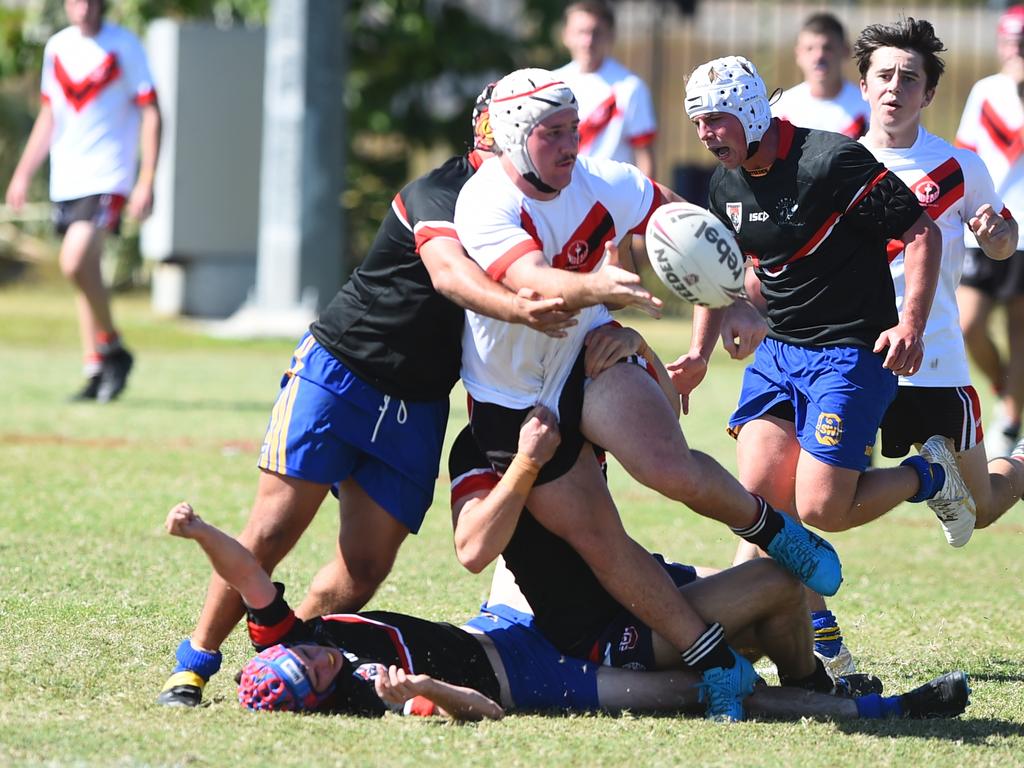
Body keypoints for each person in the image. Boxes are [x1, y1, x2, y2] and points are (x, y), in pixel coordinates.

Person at [155, 85, 576, 708]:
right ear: (493, 128)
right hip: (343, 372)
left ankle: (289, 649)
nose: (558, 143)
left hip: (420, 402)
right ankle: (194, 664)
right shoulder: (442, 191)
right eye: (539, 126)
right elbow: (450, 276)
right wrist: (521, 304)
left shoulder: (543, 207)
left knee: (364, 567)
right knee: (270, 530)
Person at [454, 67, 846, 720]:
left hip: (591, 355)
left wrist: (727, 298)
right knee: (603, 544)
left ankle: (776, 531)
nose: (570, 144)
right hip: (517, 399)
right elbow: (528, 280)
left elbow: (682, 221)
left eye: (573, 129)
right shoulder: (483, 201)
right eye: (553, 133)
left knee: (668, 465)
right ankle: (715, 663)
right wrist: (603, 291)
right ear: (518, 137)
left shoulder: (601, 180)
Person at [163, 499, 970, 722]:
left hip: (503, 621)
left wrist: (200, 531)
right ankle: (879, 708)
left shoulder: (291, 636)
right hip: (540, 681)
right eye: (317, 677)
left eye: (307, 658)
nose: (322, 661)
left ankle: (827, 688)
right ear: (316, 700)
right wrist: (418, 693)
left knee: (742, 615)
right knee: (710, 682)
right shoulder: (357, 699)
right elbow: (481, 709)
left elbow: (247, 576)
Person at [675, 55, 959, 680]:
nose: (707, 134)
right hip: (780, 356)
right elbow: (730, 273)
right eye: (698, 123)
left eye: (718, 118)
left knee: (823, 509)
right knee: (759, 508)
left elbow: (921, 233)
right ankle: (822, 641)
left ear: (750, 110)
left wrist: (909, 322)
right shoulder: (724, 186)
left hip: (851, 355)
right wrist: (703, 349)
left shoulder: (830, 161)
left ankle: (929, 474)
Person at [856, 16, 1024, 549]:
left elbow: (1001, 242)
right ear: (864, 85)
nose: (894, 88)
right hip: (854, 359)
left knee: (981, 510)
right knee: (826, 496)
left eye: (909, 78)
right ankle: (796, 610)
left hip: (935, 362)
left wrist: (997, 235)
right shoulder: (835, 163)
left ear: (928, 93)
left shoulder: (959, 167)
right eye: (884, 75)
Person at [4, 0, 160, 402]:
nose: (85, 7)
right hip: (67, 179)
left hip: (108, 176)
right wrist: (23, 173)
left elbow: (152, 112)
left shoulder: (124, 45)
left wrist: (146, 178)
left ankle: (113, 347)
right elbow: (49, 116)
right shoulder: (57, 47)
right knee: (82, 272)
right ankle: (96, 365)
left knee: (74, 260)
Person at [954, 5, 1024, 458]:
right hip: (987, 225)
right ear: (1000, 44)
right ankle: (1004, 387)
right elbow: (965, 152)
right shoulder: (986, 91)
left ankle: (1012, 420)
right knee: (969, 324)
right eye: (1011, 41)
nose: (1017, 50)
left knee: (1020, 331)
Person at [553, 0, 656, 175]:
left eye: (596, 33)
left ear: (610, 36)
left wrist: (645, 201)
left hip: (611, 196)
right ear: (566, 35)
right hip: (563, 192)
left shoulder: (630, 86)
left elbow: (644, 154)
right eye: (581, 32)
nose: (588, 41)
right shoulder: (552, 83)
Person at [773, 12, 871, 140]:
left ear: (845, 51)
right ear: (798, 54)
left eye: (827, 48)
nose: (818, 56)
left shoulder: (868, 108)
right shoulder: (780, 109)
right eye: (809, 48)